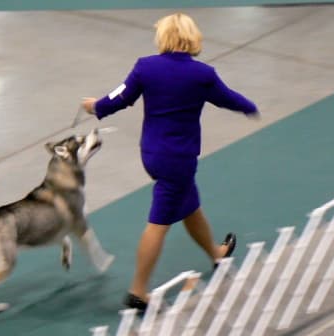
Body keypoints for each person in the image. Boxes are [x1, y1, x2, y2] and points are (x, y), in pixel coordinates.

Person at [82, 12, 259, 314]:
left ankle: (216, 253)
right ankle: (138, 291)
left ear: (163, 37)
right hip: (179, 158)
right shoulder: (203, 74)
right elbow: (228, 98)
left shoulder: (146, 67)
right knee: (158, 224)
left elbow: (120, 97)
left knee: (190, 205)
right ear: (192, 38)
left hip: (151, 153)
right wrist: (249, 107)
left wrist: (95, 106)